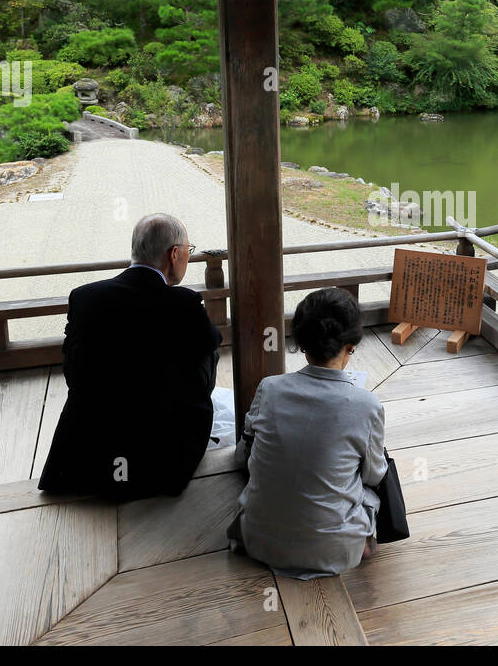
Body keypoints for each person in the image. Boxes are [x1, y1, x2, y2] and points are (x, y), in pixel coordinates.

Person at [38, 213, 221, 500]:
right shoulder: (183, 303)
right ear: (174, 254)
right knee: (207, 354)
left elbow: (72, 371)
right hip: (160, 459)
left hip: (84, 452)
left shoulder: (85, 297)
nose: (187, 258)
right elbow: (210, 352)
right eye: (189, 252)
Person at [228, 287, 388, 578]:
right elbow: (373, 476)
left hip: (258, 542)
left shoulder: (270, 388)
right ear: (350, 344)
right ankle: (357, 542)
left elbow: (242, 457)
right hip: (334, 551)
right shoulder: (366, 405)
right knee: (370, 485)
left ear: (302, 343)